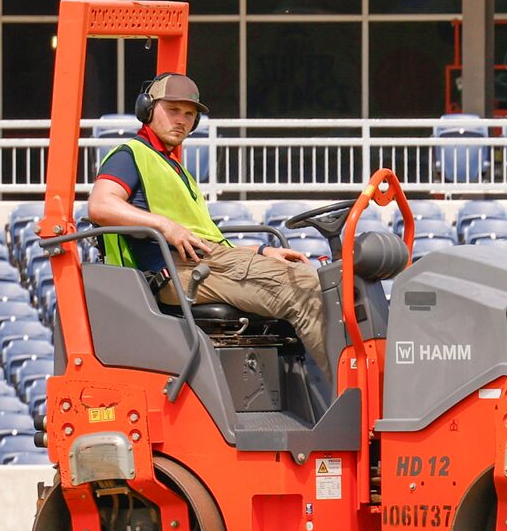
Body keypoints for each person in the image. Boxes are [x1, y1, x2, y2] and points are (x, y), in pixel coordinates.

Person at [86, 73, 330, 370]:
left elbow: (209, 239)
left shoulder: (178, 171)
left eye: (189, 115)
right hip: (173, 271)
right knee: (303, 285)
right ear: (147, 110)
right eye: (173, 110)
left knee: (317, 279)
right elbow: (100, 204)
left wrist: (263, 251)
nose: (182, 120)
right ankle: (353, 397)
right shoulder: (130, 155)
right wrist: (166, 226)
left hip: (204, 264)